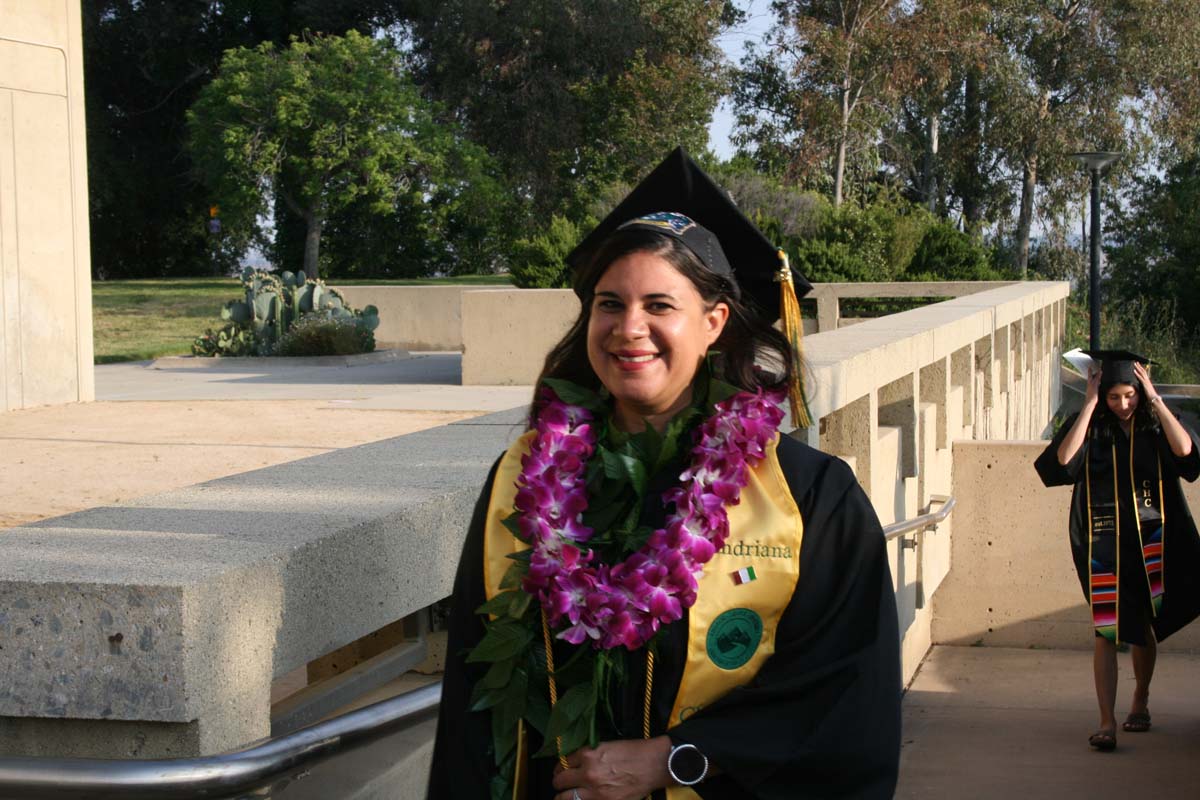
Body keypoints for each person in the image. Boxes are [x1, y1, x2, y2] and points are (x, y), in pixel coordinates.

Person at [429, 148, 901, 799]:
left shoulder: (810, 499)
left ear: (714, 323)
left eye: (659, 305)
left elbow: (846, 700)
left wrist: (680, 758)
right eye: (608, 303)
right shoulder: (523, 479)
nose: (629, 329)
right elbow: (471, 700)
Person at [1035, 350, 1200, 752]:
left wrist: (1156, 400)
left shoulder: (1153, 426)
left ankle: (1139, 699)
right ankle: (1106, 722)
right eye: (1114, 397)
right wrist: (1089, 404)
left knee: (1142, 627)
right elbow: (1061, 461)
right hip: (1104, 546)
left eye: (1130, 395)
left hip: (1153, 544)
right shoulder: (1093, 427)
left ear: (1139, 393)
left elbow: (1186, 453)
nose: (1123, 404)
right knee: (1106, 630)